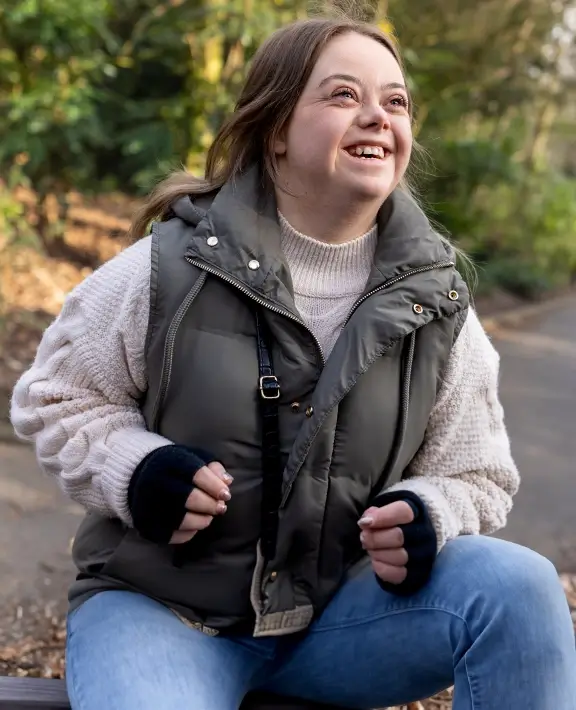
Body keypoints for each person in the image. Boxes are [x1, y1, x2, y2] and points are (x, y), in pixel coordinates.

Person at [10, 15, 576, 710]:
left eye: (395, 102)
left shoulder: (437, 303)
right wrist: (135, 469)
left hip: (343, 625)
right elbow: (56, 396)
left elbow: (478, 472)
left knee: (519, 587)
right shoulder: (167, 270)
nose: (377, 116)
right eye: (343, 95)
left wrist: (429, 511)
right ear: (276, 130)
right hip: (162, 614)